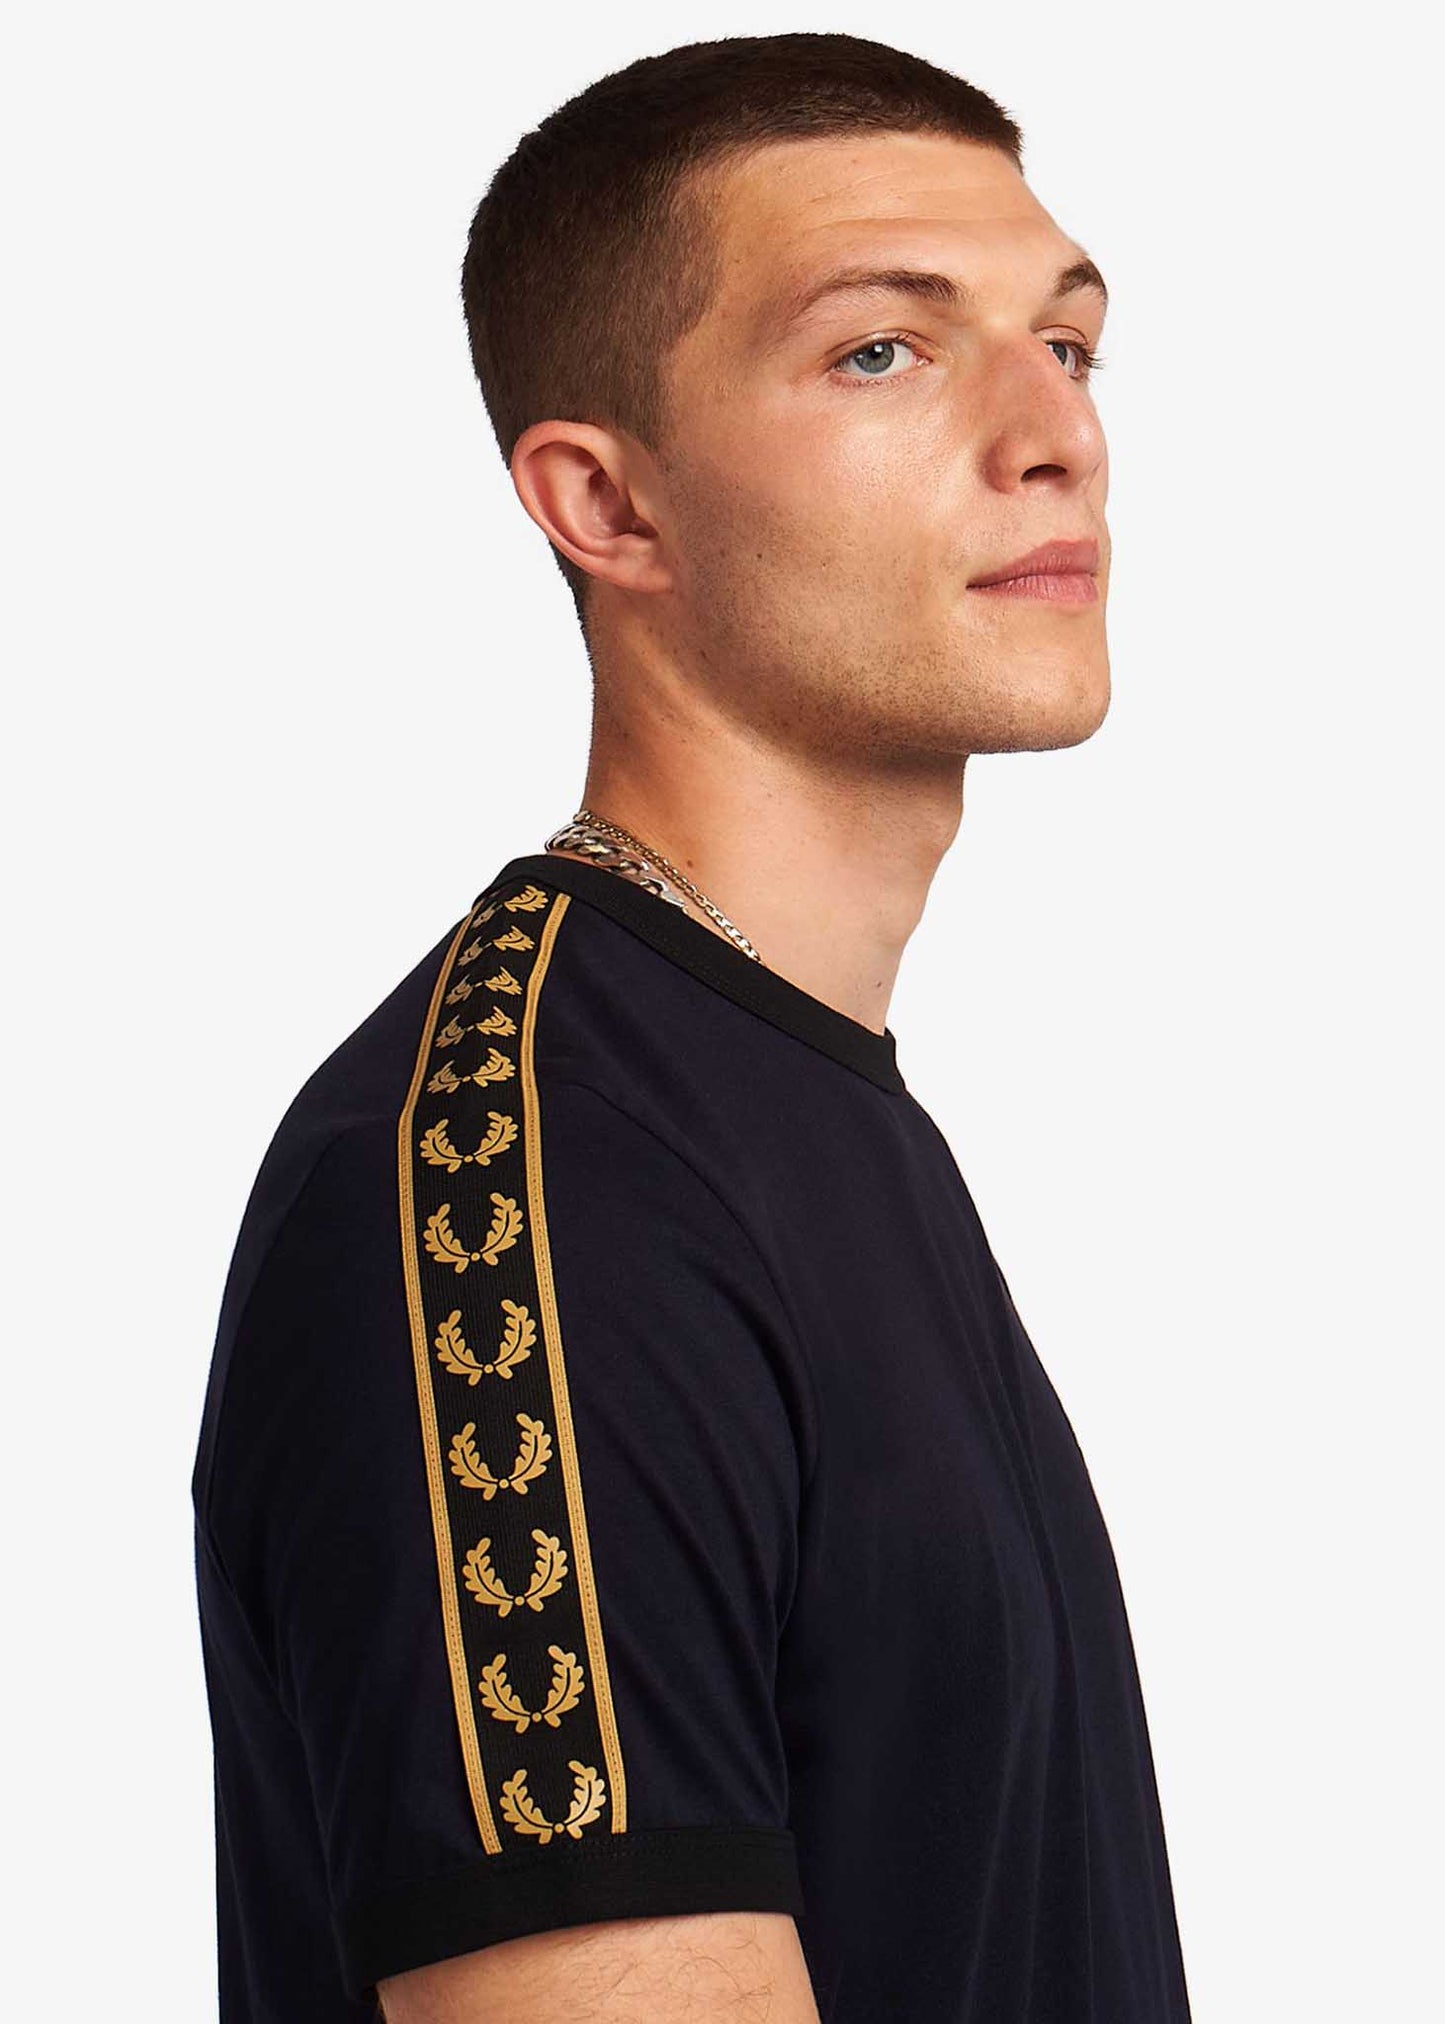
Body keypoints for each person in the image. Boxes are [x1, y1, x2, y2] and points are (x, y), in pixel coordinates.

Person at [191, 31, 1192, 2023]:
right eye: (880, 352)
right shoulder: (538, 1186)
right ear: (607, 501)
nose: (1054, 437)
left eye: (1067, 346)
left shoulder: (797, 1107)